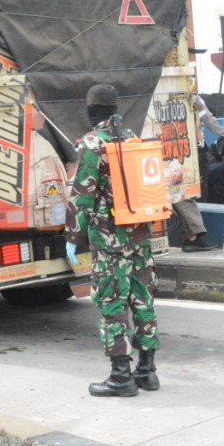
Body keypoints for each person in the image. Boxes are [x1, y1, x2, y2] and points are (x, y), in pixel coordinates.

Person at [64, 84, 160, 397]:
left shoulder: (92, 143)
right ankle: (147, 372)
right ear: (115, 109)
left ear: (91, 110)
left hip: (109, 242)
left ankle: (121, 377)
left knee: (112, 302)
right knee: (143, 300)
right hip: (139, 236)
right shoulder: (132, 138)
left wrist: (72, 236)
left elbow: (83, 195)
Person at [172, 94, 224, 251]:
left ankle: (194, 235)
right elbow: (207, 118)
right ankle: (193, 236)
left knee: (188, 193)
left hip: (186, 152)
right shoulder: (190, 97)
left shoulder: (190, 98)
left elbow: (206, 117)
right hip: (186, 153)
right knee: (185, 192)